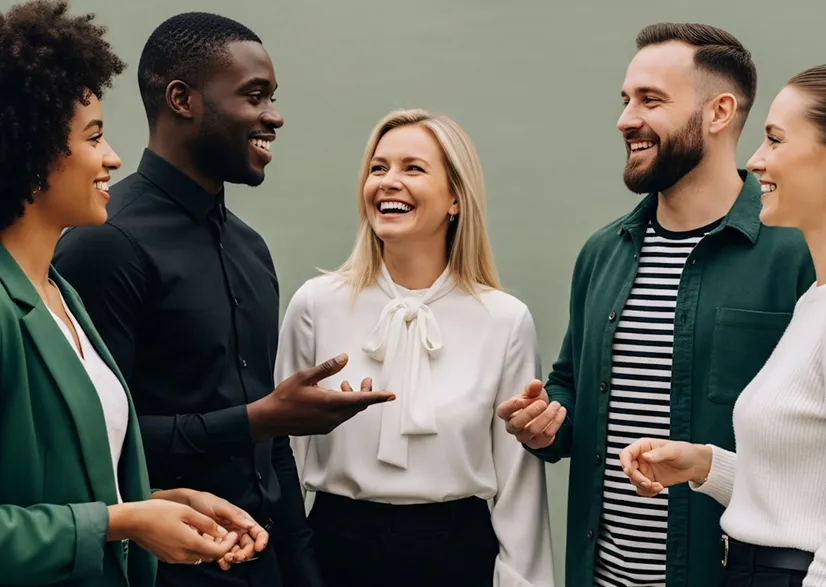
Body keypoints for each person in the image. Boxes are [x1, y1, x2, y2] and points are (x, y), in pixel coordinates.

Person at [52, 11, 393, 587]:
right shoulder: (104, 244)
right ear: (182, 99)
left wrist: (300, 564)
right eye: (254, 96)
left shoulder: (251, 251)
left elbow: (270, 437)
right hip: (160, 570)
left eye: (273, 97)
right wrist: (252, 421)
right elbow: (95, 443)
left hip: (266, 566)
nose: (274, 116)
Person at [496, 22, 816, 587]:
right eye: (625, 100)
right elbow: (571, 383)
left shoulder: (799, 253)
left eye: (651, 100)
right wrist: (548, 421)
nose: (625, 118)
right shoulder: (602, 253)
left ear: (718, 113)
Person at [0, 2, 271, 586]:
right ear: (32, 152)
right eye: (94, 136)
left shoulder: (62, 295)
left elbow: (66, 484)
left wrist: (160, 503)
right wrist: (122, 521)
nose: (113, 158)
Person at [274, 108, 554, 587]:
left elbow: (519, 485)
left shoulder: (505, 320)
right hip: (334, 549)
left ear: (455, 199)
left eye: (413, 168)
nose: (388, 181)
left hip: (458, 554)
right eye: (378, 168)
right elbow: (284, 454)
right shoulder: (314, 305)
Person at [620, 63, 826, 587]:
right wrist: (704, 466)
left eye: (775, 140)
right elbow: (796, 504)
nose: (755, 159)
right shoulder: (812, 306)